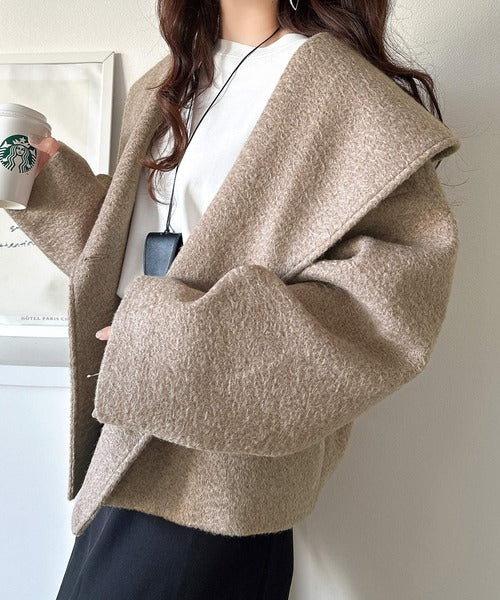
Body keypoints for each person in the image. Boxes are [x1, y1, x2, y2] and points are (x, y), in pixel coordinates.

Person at [6, 0, 461, 598]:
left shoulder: (349, 98)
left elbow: (383, 313)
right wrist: (44, 182)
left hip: (222, 480)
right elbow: (139, 252)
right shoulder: (166, 81)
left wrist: (172, 340)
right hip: (128, 439)